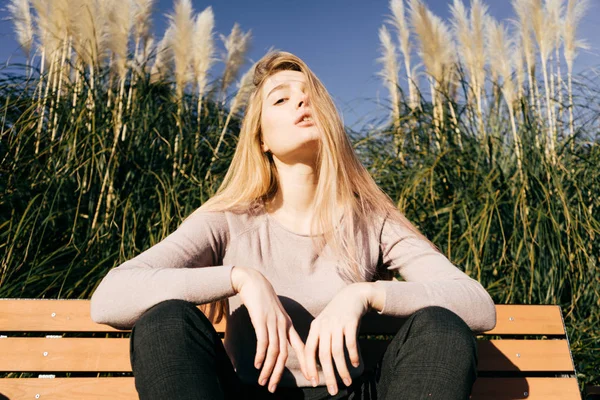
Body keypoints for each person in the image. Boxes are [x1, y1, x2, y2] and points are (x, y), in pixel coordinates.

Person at [90, 50, 496, 400]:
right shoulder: (228, 218)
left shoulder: (373, 219)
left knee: (440, 328)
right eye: (281, 100)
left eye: (311, 97)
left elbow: (477, 305)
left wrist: (365, 294)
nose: (302, 104)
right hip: (250, 394)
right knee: (166, 321)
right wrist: (240, 278)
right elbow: (110, 297)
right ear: (261, 138)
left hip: (350, 393)